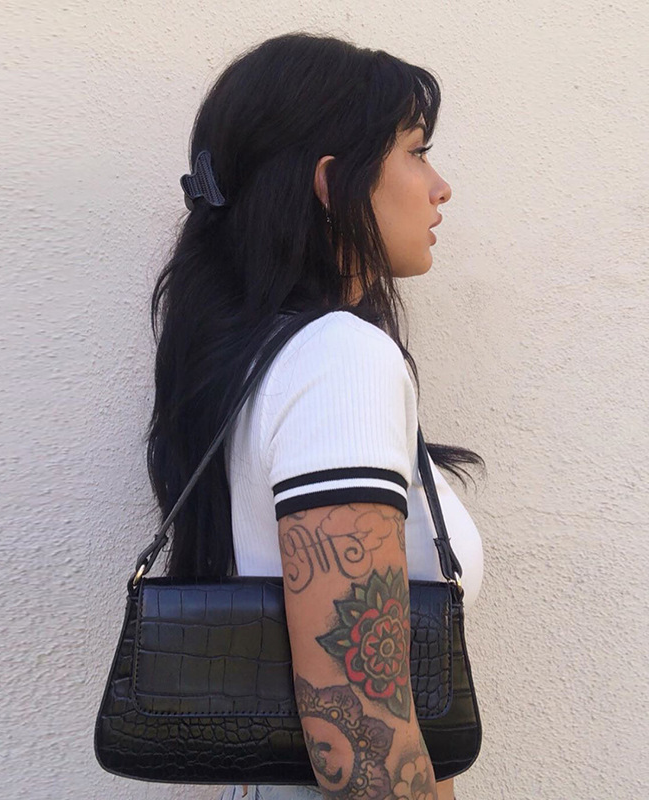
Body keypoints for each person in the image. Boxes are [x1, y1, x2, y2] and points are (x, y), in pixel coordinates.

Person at [146, 32, 485, 800]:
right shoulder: (339, 359)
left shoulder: (262, 359)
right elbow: (359, 738)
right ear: (332, 184)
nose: (440, 187)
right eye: (416, 153)